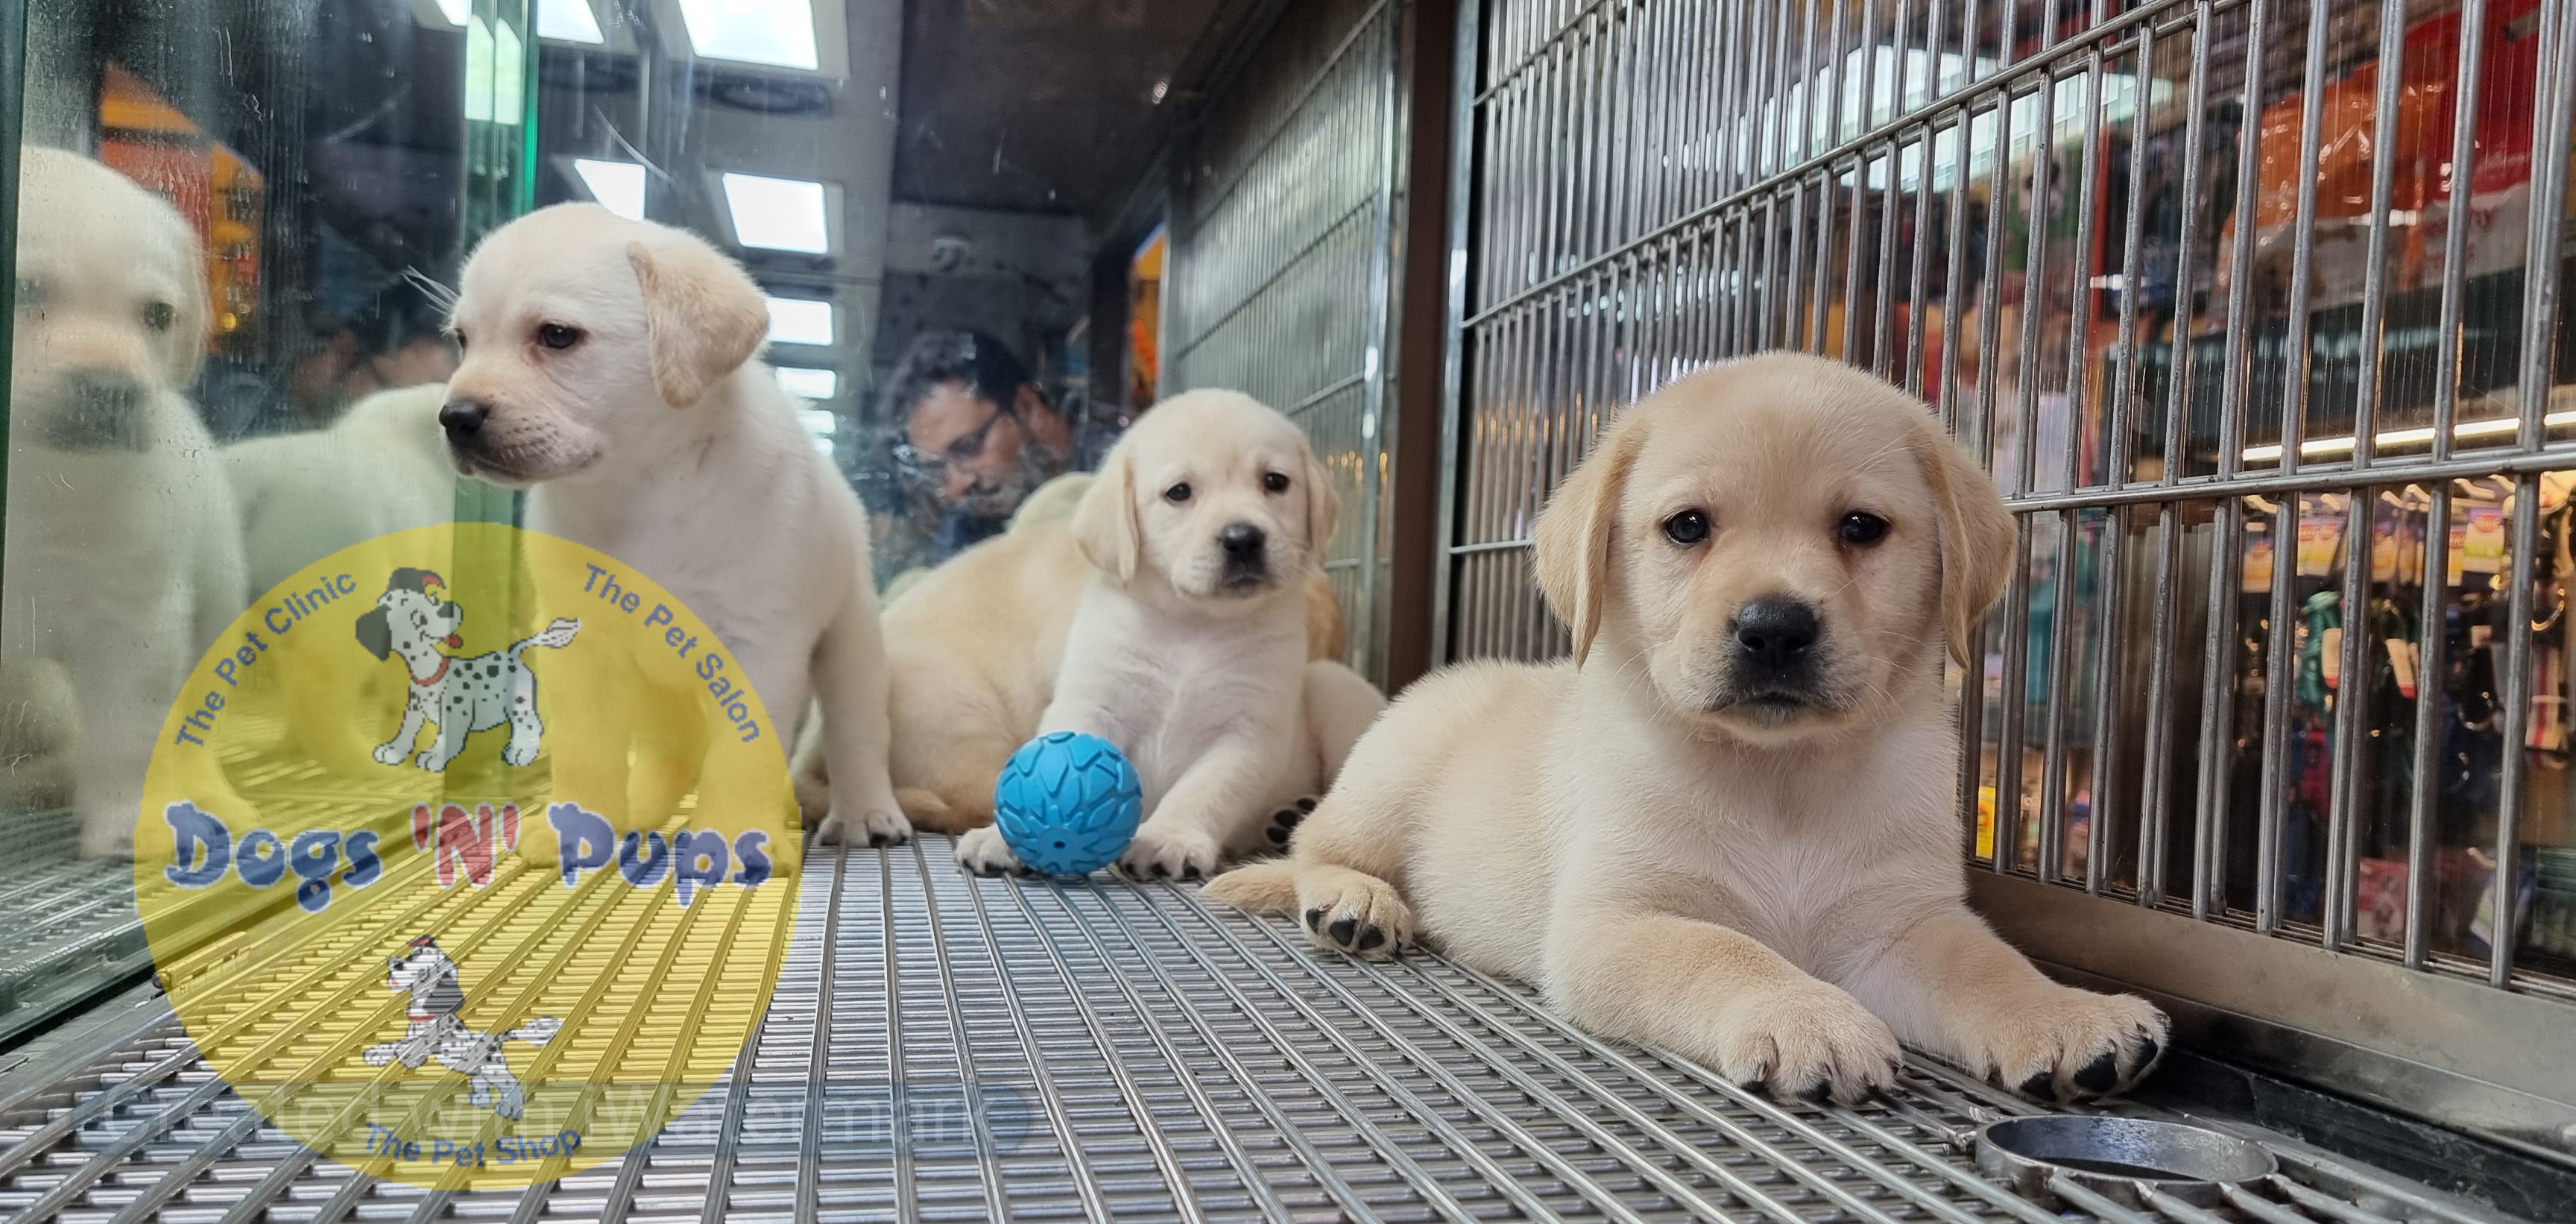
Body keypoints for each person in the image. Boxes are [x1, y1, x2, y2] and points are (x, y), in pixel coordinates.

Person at [873, 329, 1080, 576]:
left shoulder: (1115, 475)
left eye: (968, 447)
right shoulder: (966, 537)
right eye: (937, 470)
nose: (957, 485)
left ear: (1026, 406)